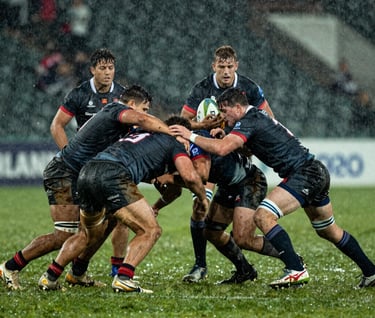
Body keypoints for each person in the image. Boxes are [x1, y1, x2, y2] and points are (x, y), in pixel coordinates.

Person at [170, 87, 375, 289]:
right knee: (329, 231)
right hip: (315, 172)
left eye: (224, 112)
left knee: (263, 216)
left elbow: (223, 149)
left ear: (236, 107)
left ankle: (295, 269)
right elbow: (245, 148)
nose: (223, 117)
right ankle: (371, 272)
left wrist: (191, 135)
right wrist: (225, 134)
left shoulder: (249, 119)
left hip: (304, 173)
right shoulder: (256, 117)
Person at [0, 85, 171, 291]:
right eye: (144, 109)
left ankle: (77, 273)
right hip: (65, 173)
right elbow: (143, 121)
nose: (146, 114)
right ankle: (10, 267)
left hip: (84, 175)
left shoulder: (120, 123)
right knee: (65, 234)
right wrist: (171, 133)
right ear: (132, 105)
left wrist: (194, 127)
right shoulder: (116, 110)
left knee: (106, 222)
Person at [38, 116, 209, 293]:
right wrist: (203, 199)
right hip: (114, 176)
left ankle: (52, 276)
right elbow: (190, 177)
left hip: (87, 173)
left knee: (87, 234)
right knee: (150, 230)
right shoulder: (175, 143)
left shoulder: (141, 134)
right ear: (180, 133)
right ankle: (124, 278)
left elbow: (165, 180)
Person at [180, 45, 274, 282]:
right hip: (206, 154)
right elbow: (183, 120)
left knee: (224, 225)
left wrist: (248, 142)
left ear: (236, 66)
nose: (225, 71)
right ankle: (200, 266)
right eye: (221, 67)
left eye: (229, 66)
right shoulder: (201, 88)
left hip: (233, 153)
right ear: (214, 66)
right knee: (200, 207)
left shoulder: (249, 88)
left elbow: (269, 119)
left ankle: (276, 261)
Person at [152, 131, 283, 285]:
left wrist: (170, 178)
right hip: (229, 185)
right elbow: (175, 190)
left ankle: (290, 257)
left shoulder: (196, 143)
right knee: (211, 232)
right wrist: (155, 207)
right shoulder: (172, 152)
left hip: (250, 181)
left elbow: (201, 176)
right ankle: (244, 270)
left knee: (243, 238)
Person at [50, 47, 128, 277]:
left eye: (111, 68)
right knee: (82, 225)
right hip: (84, 167)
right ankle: (72, 269)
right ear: (92, 70)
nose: (107, 73)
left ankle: (117, 270)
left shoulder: (122, 96)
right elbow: (57, 125)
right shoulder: (79, 94)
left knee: (122, 216)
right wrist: (69, 155)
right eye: (102, 68)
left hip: (111, 165)